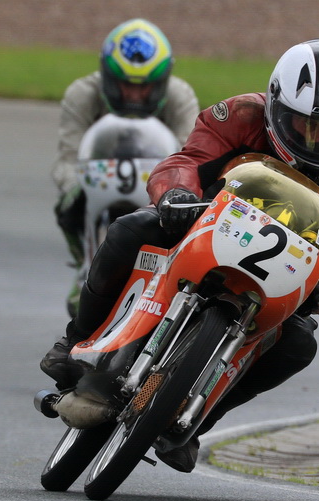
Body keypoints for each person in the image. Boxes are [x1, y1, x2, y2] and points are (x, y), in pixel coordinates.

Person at [41, 39, 319, 473]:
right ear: (276, 107)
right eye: (306, 125)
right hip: (204, 222)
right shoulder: (240, 115)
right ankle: (74, 339)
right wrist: (176, 194)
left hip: (274, 275)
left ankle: (197, 421)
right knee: (129, 230)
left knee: (299, 344)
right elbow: (186, 159)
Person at [50, 18, 199, 315]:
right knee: (68, 204)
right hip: (99, 184)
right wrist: (78, 186)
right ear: (106, 74)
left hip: (158, 186)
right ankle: (85, 265)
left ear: (162, 80)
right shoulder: (82, 94)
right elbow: (67, 159)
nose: (133, 95)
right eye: (124, 86)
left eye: (144, 88)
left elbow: (191, 157)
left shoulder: (180, 97)